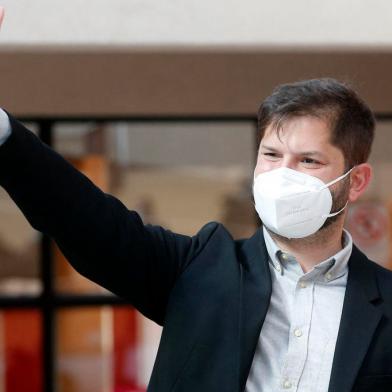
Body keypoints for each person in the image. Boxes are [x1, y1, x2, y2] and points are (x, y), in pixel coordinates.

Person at [0, 10, 392, 392]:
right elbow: (83, 218)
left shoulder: (385, 302)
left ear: (355, 181)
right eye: (271, 155)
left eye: (308, 160)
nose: (283, 175)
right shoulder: (199, 270)